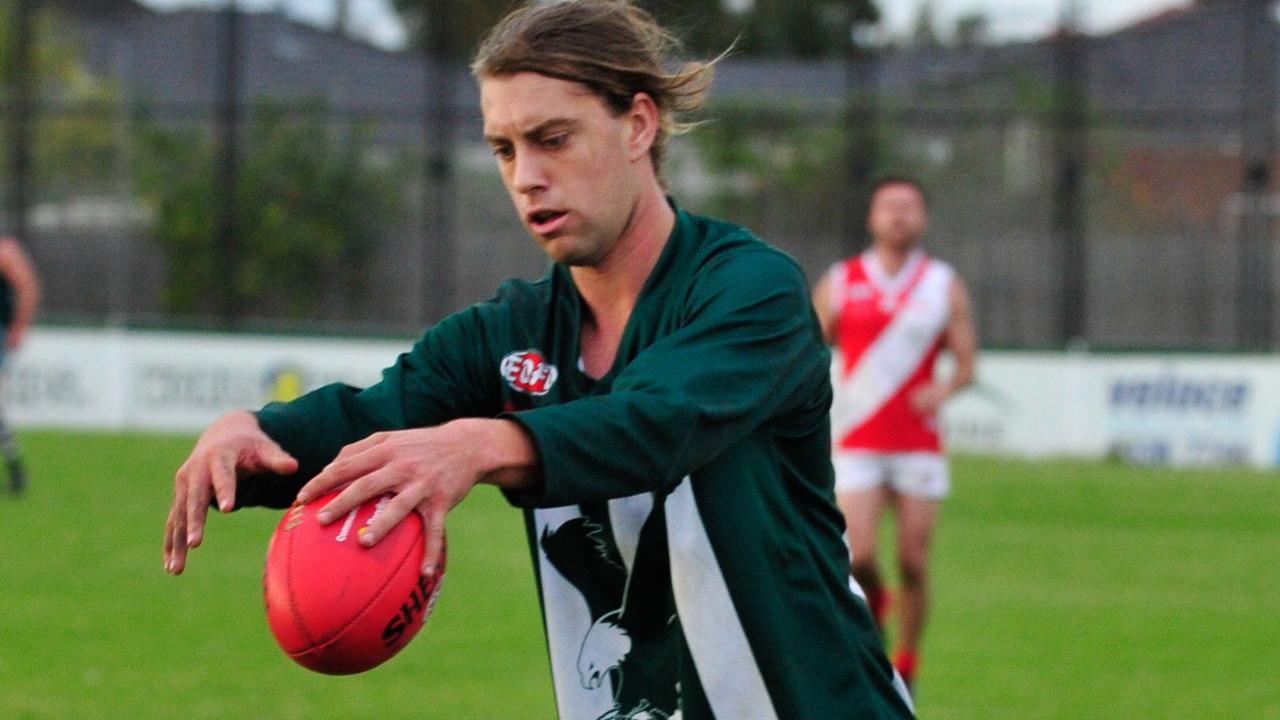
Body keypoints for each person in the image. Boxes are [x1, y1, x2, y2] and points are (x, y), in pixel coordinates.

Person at [163, 2, 914, 717]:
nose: (525, 176)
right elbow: (374, 419)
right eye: (504, 148)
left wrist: (480, 444)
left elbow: (656, 423)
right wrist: (254, 437)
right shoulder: (509, 331)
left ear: (639, 125)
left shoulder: (750, 290)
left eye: (552, 139)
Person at [811, 176, 978, 690]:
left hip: (918, 443)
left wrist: (943, 391)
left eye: (908, 207)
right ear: (872, 217)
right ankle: (874, 624)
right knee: (858, 556)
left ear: (923, 218)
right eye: (889, 206)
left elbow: (967, 364)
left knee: (913, 561)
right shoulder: (841, 280)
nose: (898, 216)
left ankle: (908, 657)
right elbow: (810, 352)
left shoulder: (941, 284)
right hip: (858, 437)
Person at [0, 236, 40, 496]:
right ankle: (16, 471)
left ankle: (16, 471)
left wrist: (19, 327)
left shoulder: (5, 251)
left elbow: (28, 287)